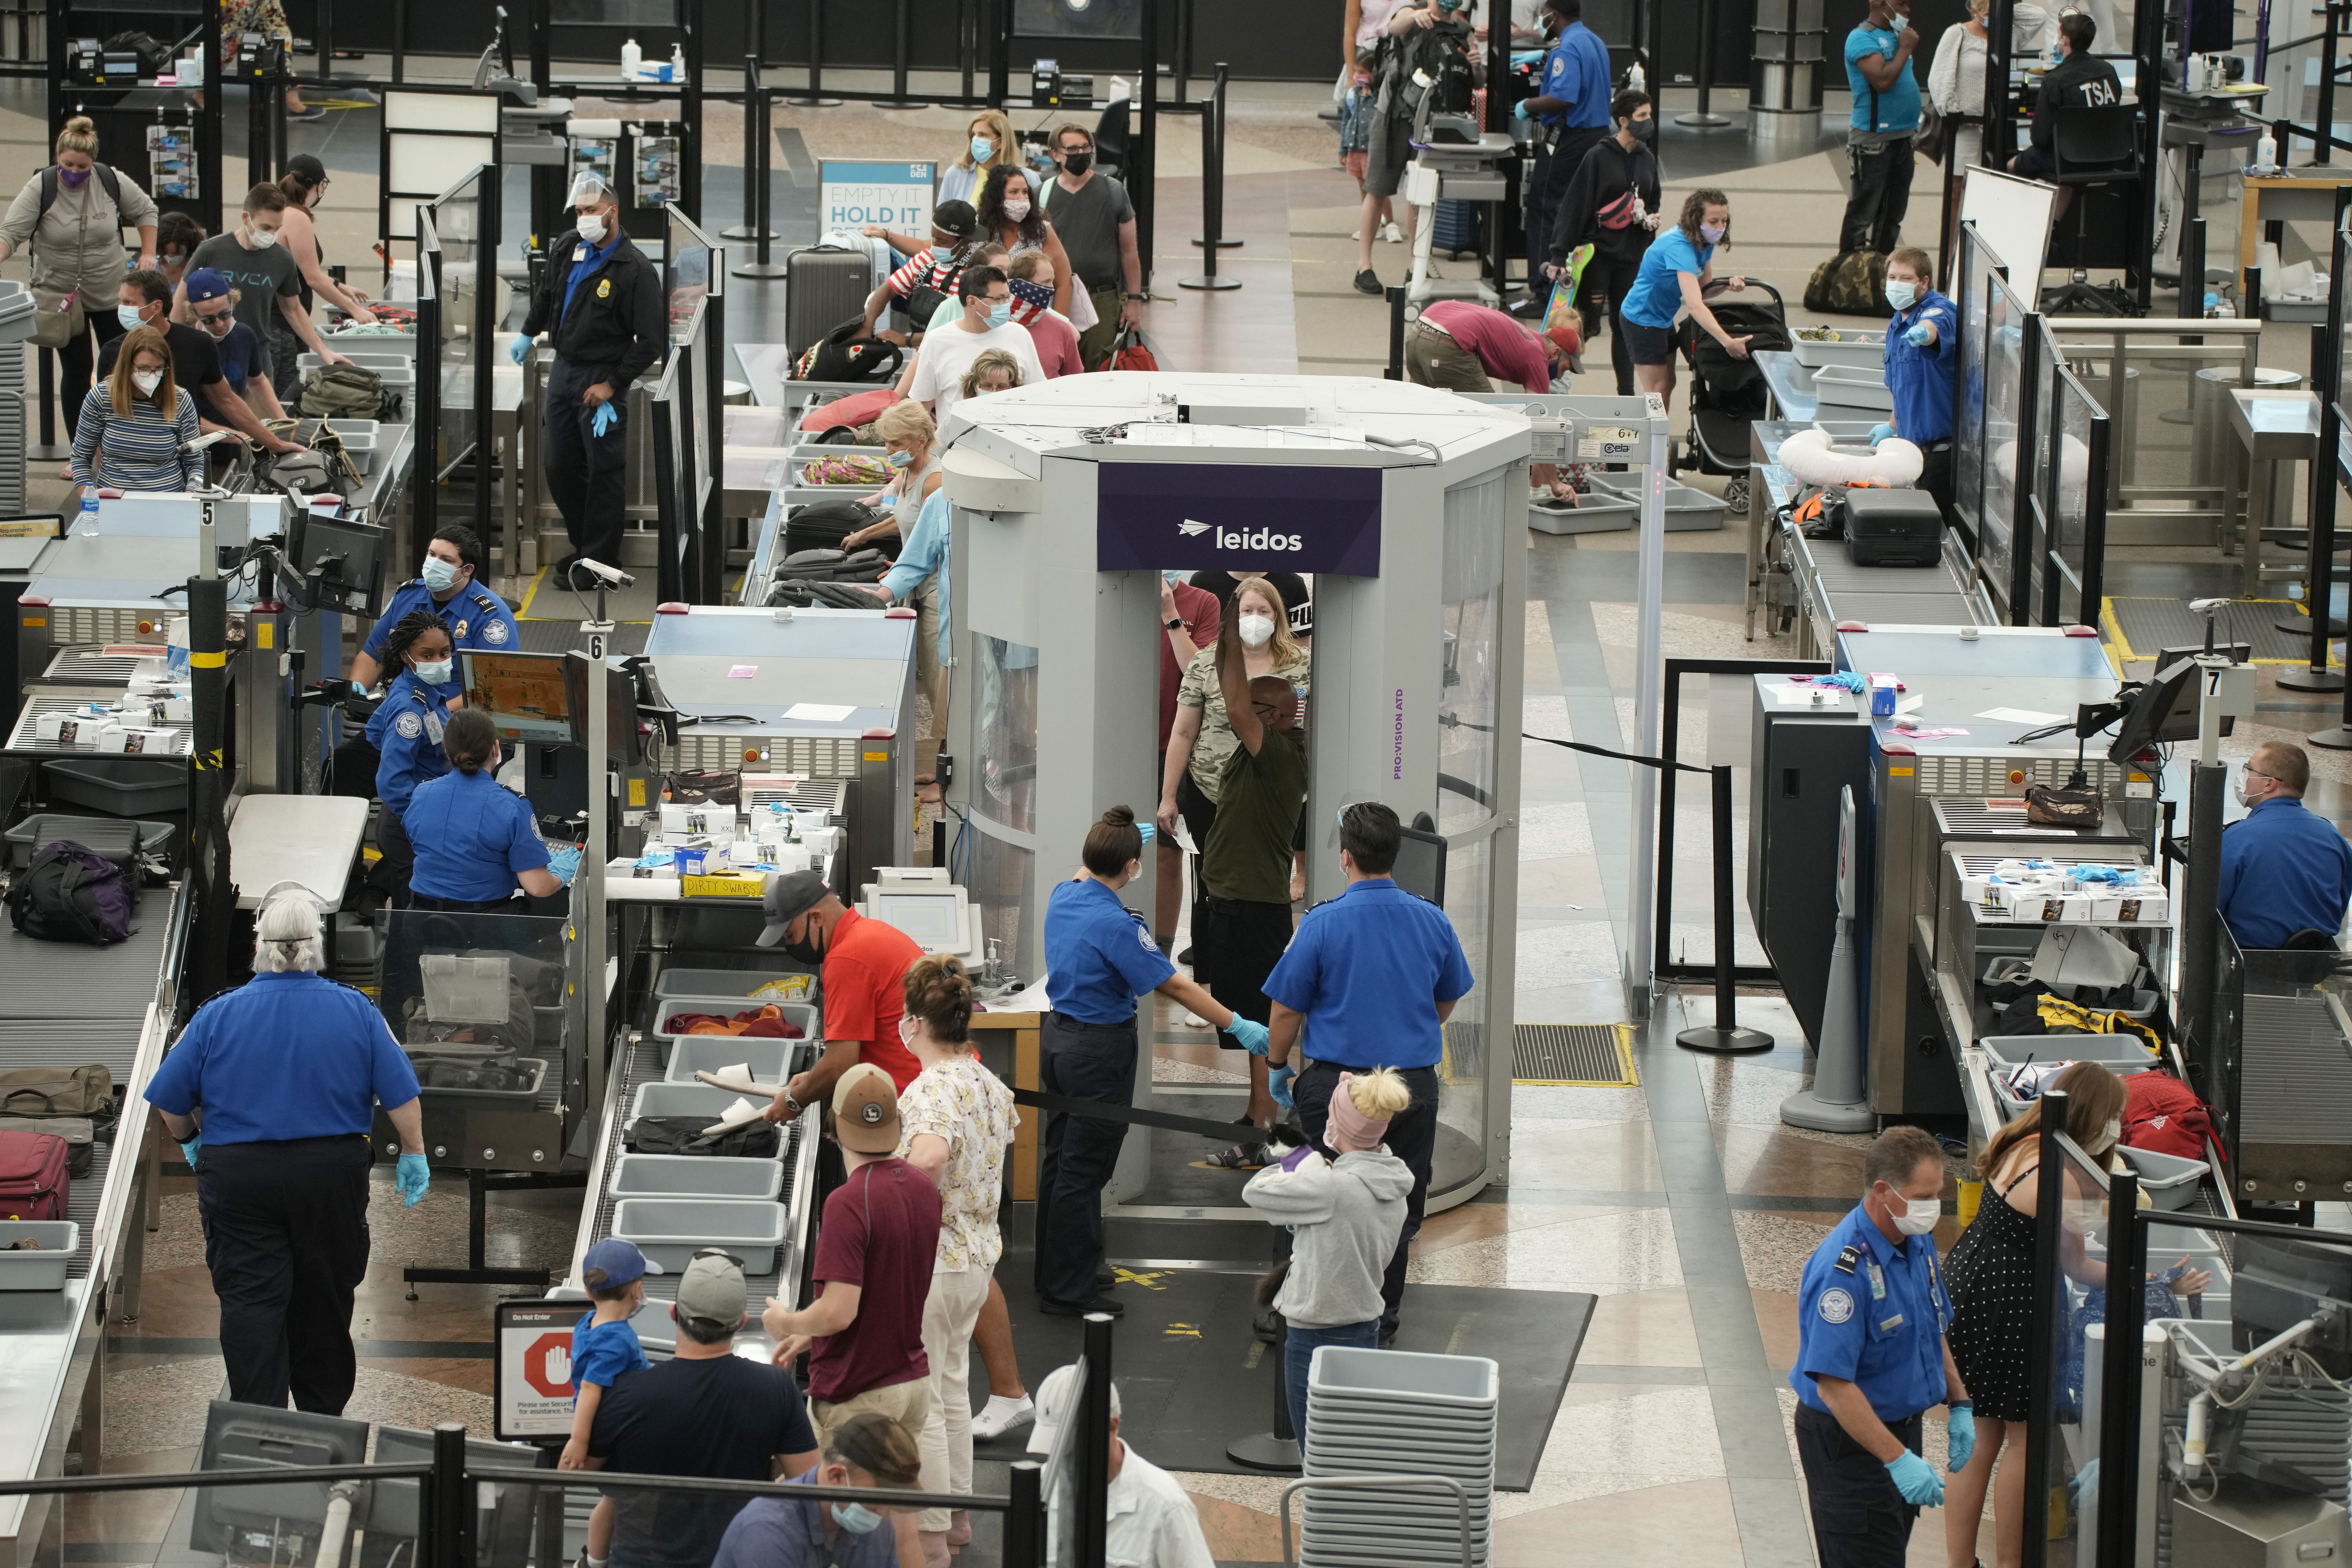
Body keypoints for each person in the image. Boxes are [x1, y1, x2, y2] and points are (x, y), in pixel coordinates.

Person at [142, 886, 431, 1414]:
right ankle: (323, 1421)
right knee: (324, 1297)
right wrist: (414, 1150)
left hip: (238, 1178)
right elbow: (402, 1092)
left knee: (251, 1299)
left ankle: (257, 1424)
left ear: (259, 944)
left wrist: (190, 1143)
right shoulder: (357, 1010)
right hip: (329, 1175)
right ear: (318, 944)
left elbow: (170, 1103)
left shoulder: (215, 1014)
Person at [1942, 1063, 2207, 1568]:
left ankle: (1960, 1563)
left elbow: (2071, 1260)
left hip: (1975, 1290)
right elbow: (2086, 1253)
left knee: (1980, 1436)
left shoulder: (2023, 1145)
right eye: (2114, 1117)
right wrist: (2149, 1279)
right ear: (2091, 1115)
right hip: (2010, 1307)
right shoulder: (2058, 1176)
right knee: (2023, 1439)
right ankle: (2011, 1564)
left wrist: (2145, 1278)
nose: (2118, 1127)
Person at [1038, 808, 1274, 1316]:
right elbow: (1175, 984)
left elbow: (1086, 871)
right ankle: (1067, 1289)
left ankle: (1064, 1265)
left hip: (1058, 1041)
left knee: (1061, 1159)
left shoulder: (1065, 897)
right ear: (1128, 866)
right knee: (1086, 1167)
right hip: (1098, 1052)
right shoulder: (1117, 925)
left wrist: (1113, 843)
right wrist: (1237, 1023)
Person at [1263, 802, 1473, 1341]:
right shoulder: (1432, 918)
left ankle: (1299, 1308)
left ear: (1345, 858)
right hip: (1411, 1088)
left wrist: (1276, 1065)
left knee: (1311, 1196)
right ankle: (1383, 1316)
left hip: (1336, 1090)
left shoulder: (1322, 921)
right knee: (1396, 1205)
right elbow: (1446, 999)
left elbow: (1286, 1009)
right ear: (1395, 855)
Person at [1790, 1126, 1970, 1568]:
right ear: (1883, 1191)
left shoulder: (1915, 1240)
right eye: (1923, 1196)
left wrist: (1960, 1402)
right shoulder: (1844, 1272)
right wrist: (1897, 1460)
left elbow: (1932, 1325)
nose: (1933, 1208)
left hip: (1899, 1433)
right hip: (1850, 1444)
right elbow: (1834, 1386)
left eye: (1937, 1195)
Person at [583, 1249, 823, 1568]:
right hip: (738, 1558)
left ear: (673, 1313)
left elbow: (582, 1471)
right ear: (740, 1323)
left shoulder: (626, 1394)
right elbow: (811, 1488)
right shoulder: (775, 1389)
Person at [762, 1066, 941, 1488]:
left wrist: (786, 1323)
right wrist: (811, 1334)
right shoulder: (922, 1187)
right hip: (911, 1383)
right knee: (894, 1523)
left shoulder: (847, 1202)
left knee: (843, 1529)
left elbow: (841, 1313)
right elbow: (888, 1284)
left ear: (837, 1126)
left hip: (859, 1394)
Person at [892, 957, 1016, 1565]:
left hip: (933, 1261)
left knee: (927, 1404)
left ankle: (934, 1534)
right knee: (953, 1389)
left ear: (915, 1022)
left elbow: (931, 1157)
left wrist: (887, 1198)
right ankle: (961, 1516)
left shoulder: (931, 1088)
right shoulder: (985, 1082)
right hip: (977, 1258)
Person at [1191, 603, 1311, 1160]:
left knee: (1256, 1021)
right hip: (1231, 903)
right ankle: (1258, 1112)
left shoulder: (1280, 753)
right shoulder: (1259, 750)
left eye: (1259, 710)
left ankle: (1268, 1127)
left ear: (1278, 716)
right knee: (1244, 1019)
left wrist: (1235, 627)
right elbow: (1235, 697)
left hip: (1250, 907)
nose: (1242, 717)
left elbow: (1237, 704)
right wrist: (1224, 642)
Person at [1161, 577, 1313, 1005]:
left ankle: (1273, 989)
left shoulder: (1300, 665)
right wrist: (1169, 795)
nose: (1255, 620)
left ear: (1278, 617)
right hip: (1212, 793)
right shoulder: (1207, 662)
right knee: (1212, 890)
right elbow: (1184, 730)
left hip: (1274, 797)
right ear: (1233, 617)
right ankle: (1209, 989)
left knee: (1267, 887)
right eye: (1247, 611)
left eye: (1264, 611)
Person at [513, 172, 665, 591]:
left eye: (591, 211)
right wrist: (529, 331)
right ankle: (584, 547)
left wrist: (612, 386)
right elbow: (547, 294)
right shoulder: (569, 247)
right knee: (559, 464)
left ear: (612, 212)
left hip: (602, 376)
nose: (583, 219)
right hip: (564, 369)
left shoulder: (634, 270)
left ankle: (600, 561)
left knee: (604, 470)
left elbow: (651, 342)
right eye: (579, 212)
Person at [1243, 1066, 1413, 1438]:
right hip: (1364, 1322)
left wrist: (1303, 1163)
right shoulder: (1394, 1178)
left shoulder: (1329, 1188)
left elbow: (1256, 1191)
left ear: (1335, 1127)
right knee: (1347, 1442)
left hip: (1316, 1330)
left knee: (1318, 1452)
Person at [0, 118, 160, 439]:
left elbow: (146, 211)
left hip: (111, 290)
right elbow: (10, 233)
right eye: (67, 165)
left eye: (82, 167)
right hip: (62, 295)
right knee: (76, 370)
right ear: (58, 159)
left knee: (119, 367)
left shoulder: (109, 180)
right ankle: (80, 449)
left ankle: (122, 440)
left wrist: (147, 253)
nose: (74, 172)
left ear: (93, 163)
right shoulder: (41, 187)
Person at [757, 871, 927, 1112]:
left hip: (918, 1104)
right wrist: (812, 1079)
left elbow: (839, 1066)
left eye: (790, 935)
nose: (790, 945)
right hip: (942, 1089)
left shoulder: (847, 958)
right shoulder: (871, 932)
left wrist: (794, 1101)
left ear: (816, 918)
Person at [1026, 1365, 1215, 1568]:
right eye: (1054, 1447)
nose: (1062, 1457)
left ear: (1112, 1426)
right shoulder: (1038, 1491)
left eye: (1071, 1447)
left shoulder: (1165, 1504)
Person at [182, 184, 350, 405]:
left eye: (277, 229)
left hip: (257, 362)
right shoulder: (211, 250)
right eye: (265, 227)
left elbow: (293, 309)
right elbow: (181, 304)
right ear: (246, 218)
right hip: (210, 358)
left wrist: (323, 350)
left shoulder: (282, 259)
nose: (271, 235)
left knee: (262, 432)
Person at [104, 268, 298, 459]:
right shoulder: (113, 352)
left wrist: (276, 441)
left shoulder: (197, 344)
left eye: (129, 303)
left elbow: (227, 400)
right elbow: (101, 419)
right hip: (129, 464)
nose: (219, 324)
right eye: (208, 319)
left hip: (189, 460)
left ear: (156, 307)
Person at [1351, 0, 1475, 298]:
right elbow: (1395, 26)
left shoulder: (1461, 30)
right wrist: (1417, 16)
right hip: (1393, 116)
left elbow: (1474, 80)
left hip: (1433, 121)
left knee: (1421, 195)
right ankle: (1363, 266)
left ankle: (1415, 264)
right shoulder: (1410, 13)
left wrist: (1477, 66)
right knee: (1377, 189)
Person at [1546, 89, 1663, 398]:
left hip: (1631, 256)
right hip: (1598, 256)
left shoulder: (1647, 158)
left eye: (1649, 115)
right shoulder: (1598, 157)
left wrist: (1649, 218)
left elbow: (1654, 198)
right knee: (1587, 325)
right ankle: (1551, 382)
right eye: (1642, 116)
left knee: (1625, 327)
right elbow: (1575, 205)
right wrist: (1559, 255)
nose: (1648, 122)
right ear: (1624, 121)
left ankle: (1626, 394)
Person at [1402, 300, 1577, 499]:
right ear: (1555, 353)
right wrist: (1555, 482)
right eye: (1565, 368)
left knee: (1424, 414)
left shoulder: (1529, 338)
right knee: (1489, 424)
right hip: (1449, 343)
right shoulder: (1538, 358)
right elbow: (1539, 426)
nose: (1561, 377)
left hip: (1420, 330)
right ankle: (1478, 496)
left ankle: (1411, 484)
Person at [709, 1414, 922, 1568]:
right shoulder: (767, 1531)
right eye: (876, 1499)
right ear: (837, 1476)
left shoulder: (877, 1529)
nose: (884, 1514)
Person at [562, 1238, 660, 1568]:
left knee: (612, 1500)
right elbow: (591, 1388)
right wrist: (580, 1441)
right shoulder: (617, 1339)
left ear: (590, 1293)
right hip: (620, 1437)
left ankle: (595, 1562)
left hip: (608, 1426)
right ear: (637, 1290)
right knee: (630, 1502)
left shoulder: (586, 1323)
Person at [405, 708, 563, 912]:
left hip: (420, 922)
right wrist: (561, 872)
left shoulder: (421, 794)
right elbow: (538, 887)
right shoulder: (513, 806)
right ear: (496, 749)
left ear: (447, 750)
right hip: (486, 926)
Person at [1618, 188, 1749, 411]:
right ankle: (1653, 443)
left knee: (1668, 384)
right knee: (1657, 390)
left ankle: (1659, 440)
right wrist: (1728, 343)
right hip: (1642, 320)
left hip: (1663, 317)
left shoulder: (1703, 243)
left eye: (1724, 221)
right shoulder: (1678, 247)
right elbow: (1695, 306)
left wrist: (1726, 285)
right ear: (1696, 220)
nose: (1720, 227)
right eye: (1713, 221)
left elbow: (1703, 290)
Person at [1515, 0, 1612, 292]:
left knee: (1546, 208)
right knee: (1582, 211)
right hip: (1597, 136)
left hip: (1569, 138)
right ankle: (1581, 287)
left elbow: (1564, 97)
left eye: (1543, 13)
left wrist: (1527, 105)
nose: (1542, 18)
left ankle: (1545, 289)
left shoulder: (1567, 48)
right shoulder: (1593, 41)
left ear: (1553, 15)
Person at [2219, 740, 2352, 949]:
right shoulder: (2333, 837)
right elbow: (2340, 902)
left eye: (2249, 768)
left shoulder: (2237, 838)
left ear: (2269, 784)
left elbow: (2211, 910)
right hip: (2318, 960)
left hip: (2251, 961)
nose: (2243, 774)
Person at [367, 610, 458, 903]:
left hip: (416, 815)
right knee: (419, 910)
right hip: (410, 823)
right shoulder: (411, 708)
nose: (439, 662)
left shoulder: (423, 689)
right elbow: (391, 781)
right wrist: (424, 823)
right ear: (407, 656)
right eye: (428, 655)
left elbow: (374, 730)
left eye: (445, 653)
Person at [1039, 124, 1144, 368]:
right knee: (1056, 369)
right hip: (1055, 299)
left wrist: (1134, 301)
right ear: (1055, 154)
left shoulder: (1113, 191)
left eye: (1086, 147)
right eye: (1072, 148)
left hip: (1101, 300)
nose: (1081, 153)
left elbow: (1129, 250)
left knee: (1098, 372)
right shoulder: (1042, 194)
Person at [1154, 573, 1222, 950]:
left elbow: (1204, 674)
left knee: (1169, 854)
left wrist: (1170, 614)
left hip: (1175, 746)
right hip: (1122, 743)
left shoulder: (1203, 602)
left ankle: (1160, 955)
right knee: (1116, 846)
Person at [1870, 247, 1959, 519]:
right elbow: (1903, 386)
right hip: (1914, 451)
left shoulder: (1938, 310)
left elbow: (1936, 326)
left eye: (1906, 279)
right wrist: (1892, 425)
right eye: (1893, 277)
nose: (1897, 284)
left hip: (1943, 454)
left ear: (1925, 282)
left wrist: (1925, 333)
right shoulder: (1898, 323)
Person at [2010, 9, 2123, 214]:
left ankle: (2036, 228)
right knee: (2063, 174)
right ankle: (2055, 228)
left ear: (2065, 41)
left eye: (2059, 34)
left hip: (2069, 160)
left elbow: (2040, 139)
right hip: (2110, 157)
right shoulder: (2108, 71)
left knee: (2012, 165)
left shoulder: (2055, 80)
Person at [70, 326, 200, 495]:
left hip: (168, 502)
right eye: (144, 369)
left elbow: (196, 463)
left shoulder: (180, 400)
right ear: (127, 366)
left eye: (159, 369)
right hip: (115, 503)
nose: (152, 376)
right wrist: (90, 500)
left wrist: (188, 498)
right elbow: (81, 457)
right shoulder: (101, 397)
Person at [908, 267, 1044, 427]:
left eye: (1007, 298)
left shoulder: (1020, 335)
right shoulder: (938, 341)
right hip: (957, 447)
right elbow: (922, 408)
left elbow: (1038, 396)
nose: (1006, 305)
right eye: (999, 300)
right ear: (972, 302)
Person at [1841, 0, 1922, 257]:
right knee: (1863, 213)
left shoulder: (1895, 36)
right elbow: (1883, 81)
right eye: (1901, 4)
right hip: (1873, 141)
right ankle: (1848, 276)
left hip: (1904, 138)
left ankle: (1881, 273)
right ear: (1879, 4)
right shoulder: (1861, 38)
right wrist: (1905, 50)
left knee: (1893, 215)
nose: (1907, 10)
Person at [276, 155, 377, 336]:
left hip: (277, 320)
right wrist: (355, 310)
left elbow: (299, 269)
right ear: (319, 185)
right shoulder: (297, 217)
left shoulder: (280, 211)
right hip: (284, 324)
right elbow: (313, 278)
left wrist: (340, 286)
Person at [860, 201, 983, 342]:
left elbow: (959, 330)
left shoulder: (974, 276)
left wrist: (907, 340)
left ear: (964, 242)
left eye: (942, 242)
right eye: (933, 238)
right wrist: (867, 327)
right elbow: (887, 290)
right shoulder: (926, 259)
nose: (935, 245)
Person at [184, 268, 290, 424]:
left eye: (225, 314)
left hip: (235, 435)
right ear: (195, 315)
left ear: (233, 303)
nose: (219, 324)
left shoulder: (244, 335)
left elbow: (257, 381)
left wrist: (284, 421)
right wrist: (234, 436)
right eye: (209, 320)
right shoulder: (185, 344)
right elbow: (181, 415)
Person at [975, 165, 1075, 318]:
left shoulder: (1041, 230)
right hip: (991, 320)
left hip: (1037, 320)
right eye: (1014, 192)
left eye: (1025, 192)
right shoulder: (981, 230)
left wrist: (1058, 325)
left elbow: (1064, 283)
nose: (1021, 198)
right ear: (997, 197)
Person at [1006, 251, 1086, 377]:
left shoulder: (1062, 328)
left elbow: (1075, 381)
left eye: (1052, 281)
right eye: (1046, 282)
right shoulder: (993, 324)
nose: (1052, 289)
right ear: (1022, 286)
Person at [939, 109, 1020, 209]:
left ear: (1001, 142)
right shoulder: (955, 174)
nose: (975, 140)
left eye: (983, 135)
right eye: (973, 134)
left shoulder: (1026, 178)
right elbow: (940, 217)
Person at [157, 210, 205, 292]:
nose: (171, 258)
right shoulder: (152, 268)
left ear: (189, 244)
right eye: (165, 253)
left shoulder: (201, 269)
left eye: (176, 253)